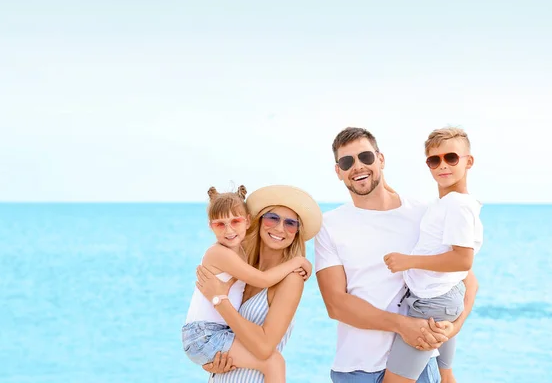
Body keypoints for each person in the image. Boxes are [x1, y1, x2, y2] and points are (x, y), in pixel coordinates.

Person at [314, 127, 479, 383]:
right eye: (347, 161)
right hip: (357, 369)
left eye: (366, 157)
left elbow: (466, 281)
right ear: (338, 171)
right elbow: (336, 304)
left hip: (422, 364)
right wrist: (403, 326)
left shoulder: (423, 213)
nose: (358, 166)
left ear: (380, 159)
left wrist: (453, 328)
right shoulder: (328, 225)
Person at [182, 185, 313, 383]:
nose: (279, 228)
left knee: (275, 363)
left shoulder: (291, 279)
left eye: (290, 223)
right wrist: (211, 362)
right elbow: (217, 333)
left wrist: (219, 300)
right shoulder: (243, 265)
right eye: (272, 218)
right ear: (258, 221)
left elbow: (263, 347)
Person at [382, 127, 483, 383]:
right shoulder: (448, 203)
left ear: (468, 161)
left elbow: (463, 259)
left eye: (451, 157)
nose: (442, 165)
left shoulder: (457, 205)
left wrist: (409, 261)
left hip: (431, 302)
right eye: (434, 160)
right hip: (444, 296)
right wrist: (378, 179)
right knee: (445, 376)